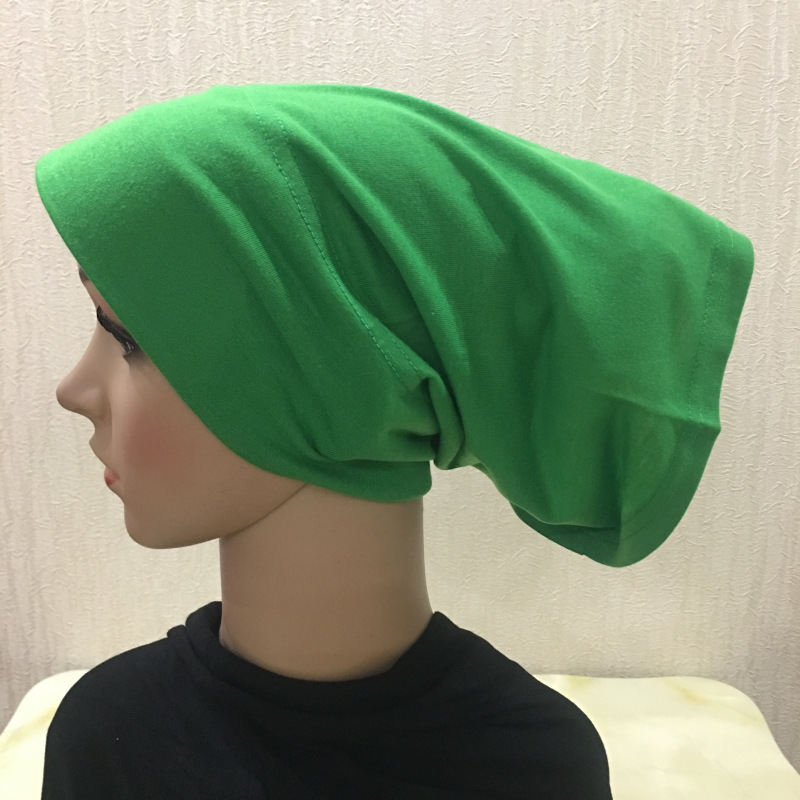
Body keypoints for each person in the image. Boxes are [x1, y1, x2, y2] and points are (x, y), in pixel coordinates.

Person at [34, 83, 754, 798]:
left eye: (125, 338)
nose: (74, 390)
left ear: (333, 386)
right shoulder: (106, 740)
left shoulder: (534, 771)